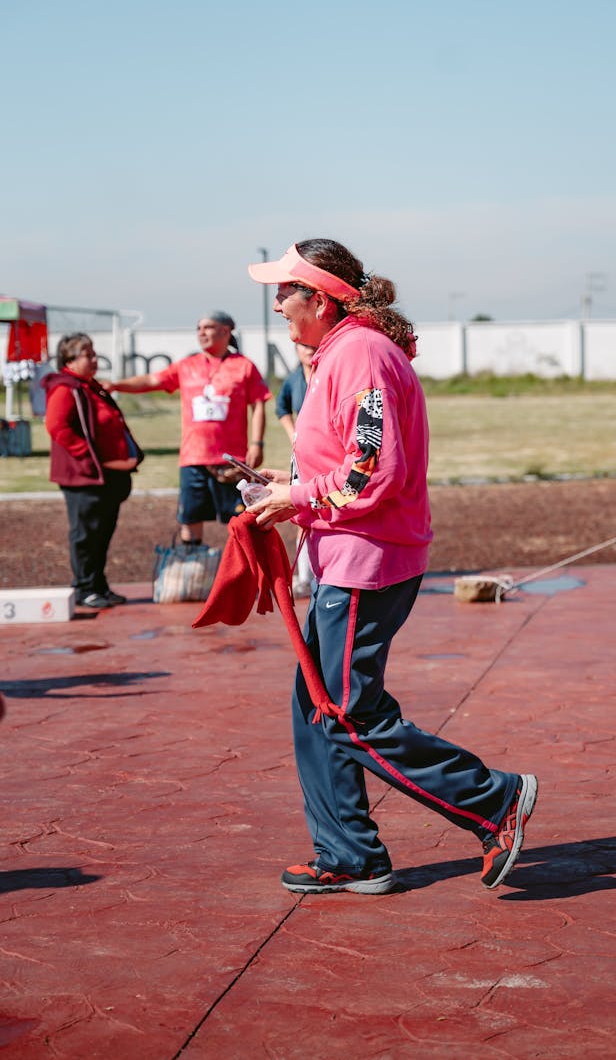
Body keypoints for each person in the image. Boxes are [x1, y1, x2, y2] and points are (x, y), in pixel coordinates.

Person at [247, 239, 538, 895]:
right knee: (317, 707)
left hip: (364, 562)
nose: (276, 303)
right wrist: (287, 479)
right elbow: (348, 457)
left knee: (347, 711)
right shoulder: (346, 353)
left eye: (285, 291)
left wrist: (296, 495)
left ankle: (494, 802)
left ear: (320, 299)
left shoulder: (360, 355)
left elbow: (369, 469)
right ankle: (349, 852)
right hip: (350, 554)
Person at [107, 311, 271, 545]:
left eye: (208, 327)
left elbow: (258, 404)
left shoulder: (243, 366)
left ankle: (241, 574)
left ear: (225, 331)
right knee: (190, 520)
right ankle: (194, 571)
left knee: (242, 522)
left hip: (231, 461)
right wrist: (116, 385)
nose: (201, 333)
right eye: (198, 328)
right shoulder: (187, 365)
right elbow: (152, 380)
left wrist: (257, 443)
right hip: (194, 459)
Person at [42, 333, 144, 609]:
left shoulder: (88, 386)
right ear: (70, 360)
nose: (95, 359)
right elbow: (56, 426)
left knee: (102, 533)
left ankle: (98, 585)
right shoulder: (65, 388)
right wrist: (89, 458)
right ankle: (84, 588)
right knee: (86, 535)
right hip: (84, 477)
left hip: (107, 477)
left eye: (94, 353)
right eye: (88, 354)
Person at [275, 342, 316, 597]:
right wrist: (293, 434)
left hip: (325, 452)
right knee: (302, 509)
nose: (308, 349)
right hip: (303, 452)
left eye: (313, 345)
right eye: (303, 346)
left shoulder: (328, 371)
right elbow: (281, 408)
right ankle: (303, 576)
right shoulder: (293, 380)